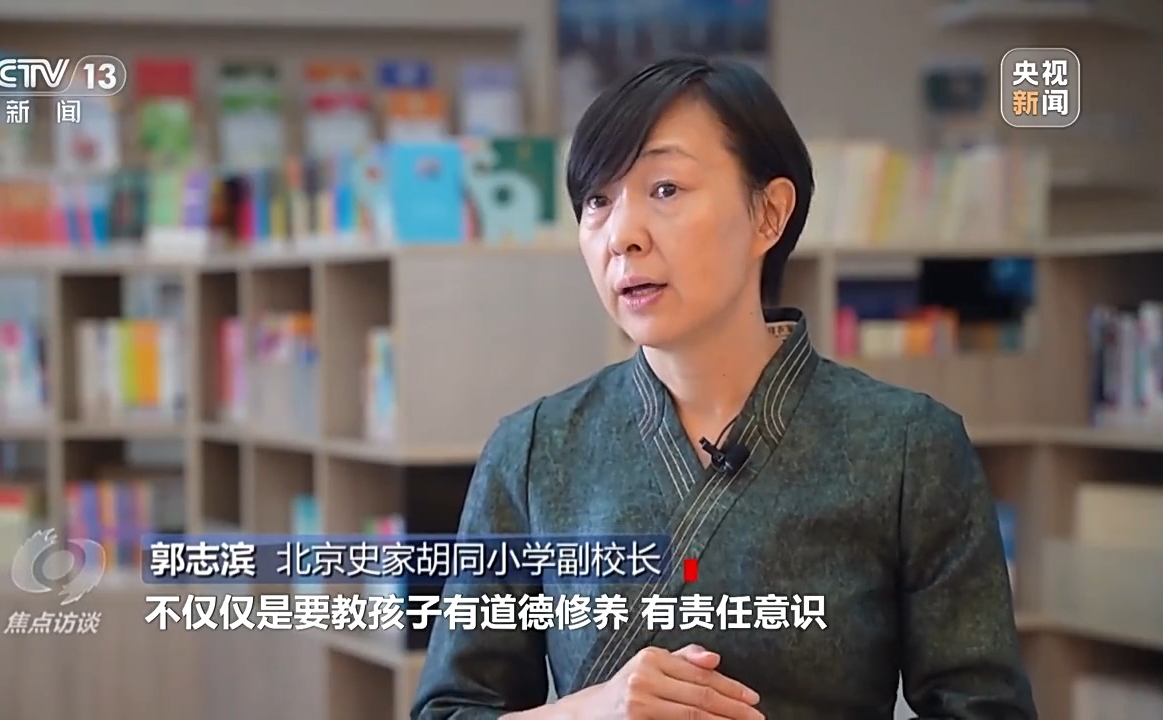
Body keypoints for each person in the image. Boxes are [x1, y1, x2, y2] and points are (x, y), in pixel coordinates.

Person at [410, 56, 1036, 719]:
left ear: (769, 214)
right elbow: (451, 709)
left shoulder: (908, 447)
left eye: (665, 188)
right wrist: (589, 712)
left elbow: (986, 710)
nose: (622, 235)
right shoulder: (534, 449)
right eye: (597, 200)